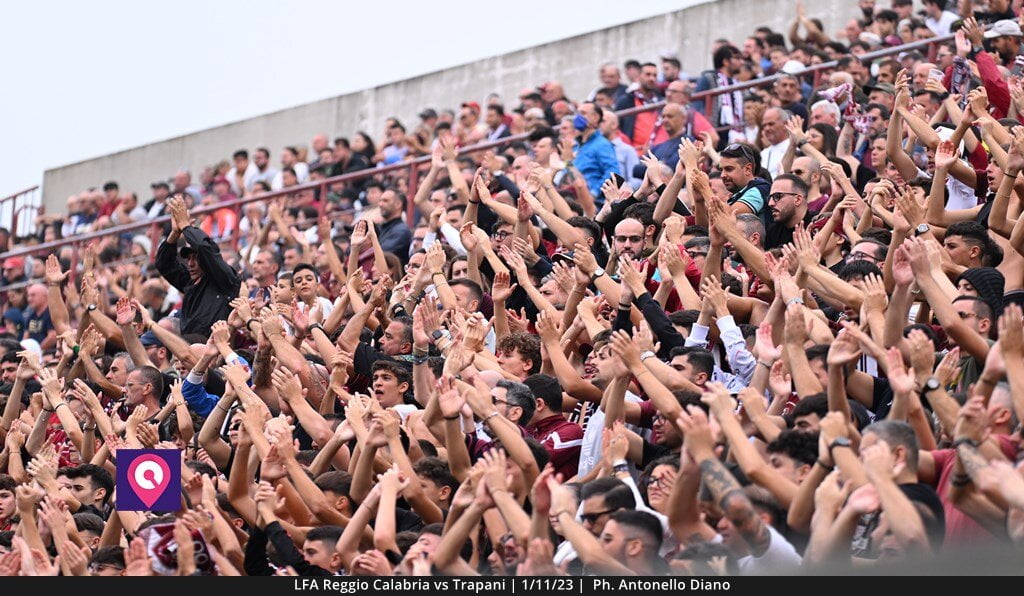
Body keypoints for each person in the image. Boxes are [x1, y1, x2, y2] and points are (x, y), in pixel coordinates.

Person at [155, 195, 240, 337]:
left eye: (196, 259)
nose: (190, 263)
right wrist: (175, 233)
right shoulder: (191, 281)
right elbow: (164, 264)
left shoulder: (225, 279)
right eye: (188, 259)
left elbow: (203, 247)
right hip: (188, 349)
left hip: (212, 349)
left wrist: (186, 227)